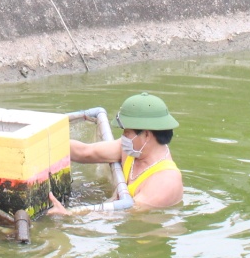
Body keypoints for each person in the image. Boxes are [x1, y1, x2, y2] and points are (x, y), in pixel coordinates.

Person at [48, 92, 183, 214]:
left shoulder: (166, 181)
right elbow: (86, 152)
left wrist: (70, 214)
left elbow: (129, 214)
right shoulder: (134, 150)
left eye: (127, 132)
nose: (123, 137)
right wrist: (45, 143)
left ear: (146, 135)